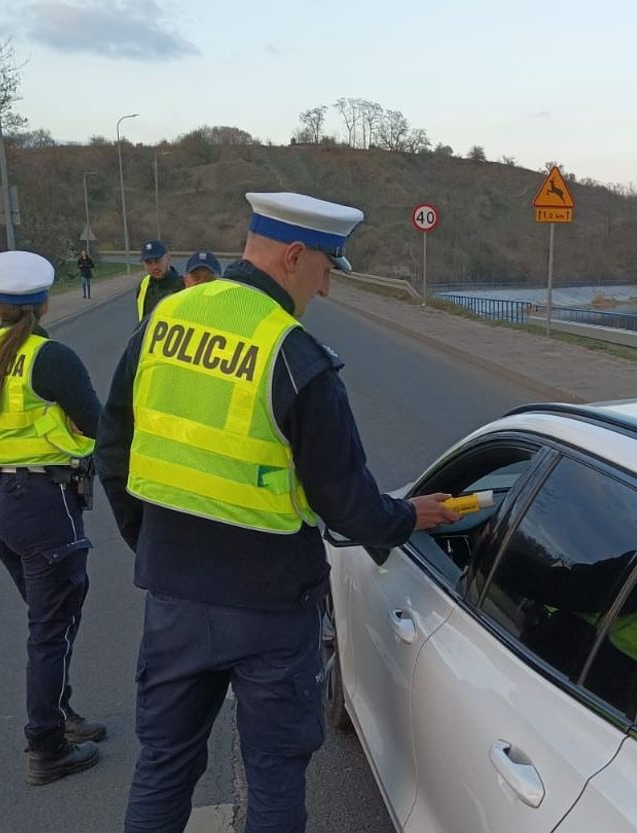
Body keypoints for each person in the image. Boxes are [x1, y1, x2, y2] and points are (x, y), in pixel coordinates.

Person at [95, 192, 460, 833]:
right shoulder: (294, 356)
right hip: (268, 612)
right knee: (273, 780)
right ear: (294, 256)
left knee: (163, 768)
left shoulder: (163, 321)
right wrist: (410, 516)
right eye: (325, 270)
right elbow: (347, 508)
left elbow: (113, 452)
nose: (324, 289)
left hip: (174, 597)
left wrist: (153, 544)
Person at [0, 250, 106, 786]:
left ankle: (61, 715)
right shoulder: (52, 357)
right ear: (44, 302)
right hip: (41, 500)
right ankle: (46, 745)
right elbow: (96, 424)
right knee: (51, 625)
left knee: (51, 617)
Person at [135, 239, 184, 320]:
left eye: (157, 261)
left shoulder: (183, 286)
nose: (154, 267)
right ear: (143, 264)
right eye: (149, 263)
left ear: (168, 259)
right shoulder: (144, 285)